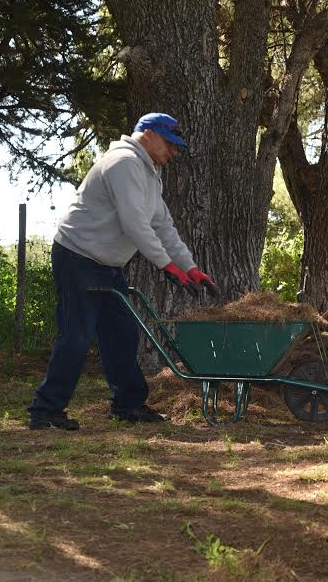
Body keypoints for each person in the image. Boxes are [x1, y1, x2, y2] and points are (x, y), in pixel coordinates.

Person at [27, 113, 217, 430]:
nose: (173, 151)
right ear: (149, 135)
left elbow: (163, 226)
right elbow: (134, 224)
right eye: (170, 143)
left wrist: (190, 267)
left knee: (121, 334)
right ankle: (45, 411)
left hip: (107, 264)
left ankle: (127, 406)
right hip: (78, 256)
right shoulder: (124, 163)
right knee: (76, 336)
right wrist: (165, 265)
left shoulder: (149, 173)